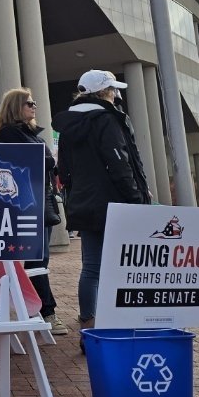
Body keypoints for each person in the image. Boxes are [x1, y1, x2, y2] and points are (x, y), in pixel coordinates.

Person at [50, 69, 152, 342]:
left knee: (91, 266)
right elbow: (120, 163)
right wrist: (136, 198)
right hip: (115, 201)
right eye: (114, 90)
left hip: (85, 201)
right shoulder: (108, 119)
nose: (117, 95)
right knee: (123, 264)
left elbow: (65, 169)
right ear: (105, 92)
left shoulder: (69, 124)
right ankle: (120, 322)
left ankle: (88, 324)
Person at [0, 87, 67, 334]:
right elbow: (34, 162)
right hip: (25, 204)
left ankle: (38, 310)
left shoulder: (30, 133)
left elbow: (47, 164)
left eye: (34, 103)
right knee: (36, 259)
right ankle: (46, 312)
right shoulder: (10, 133)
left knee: (39, 259)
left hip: (38, 201)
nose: (34, 107)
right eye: (29, 103)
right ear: (15, 107)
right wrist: (48, 158)